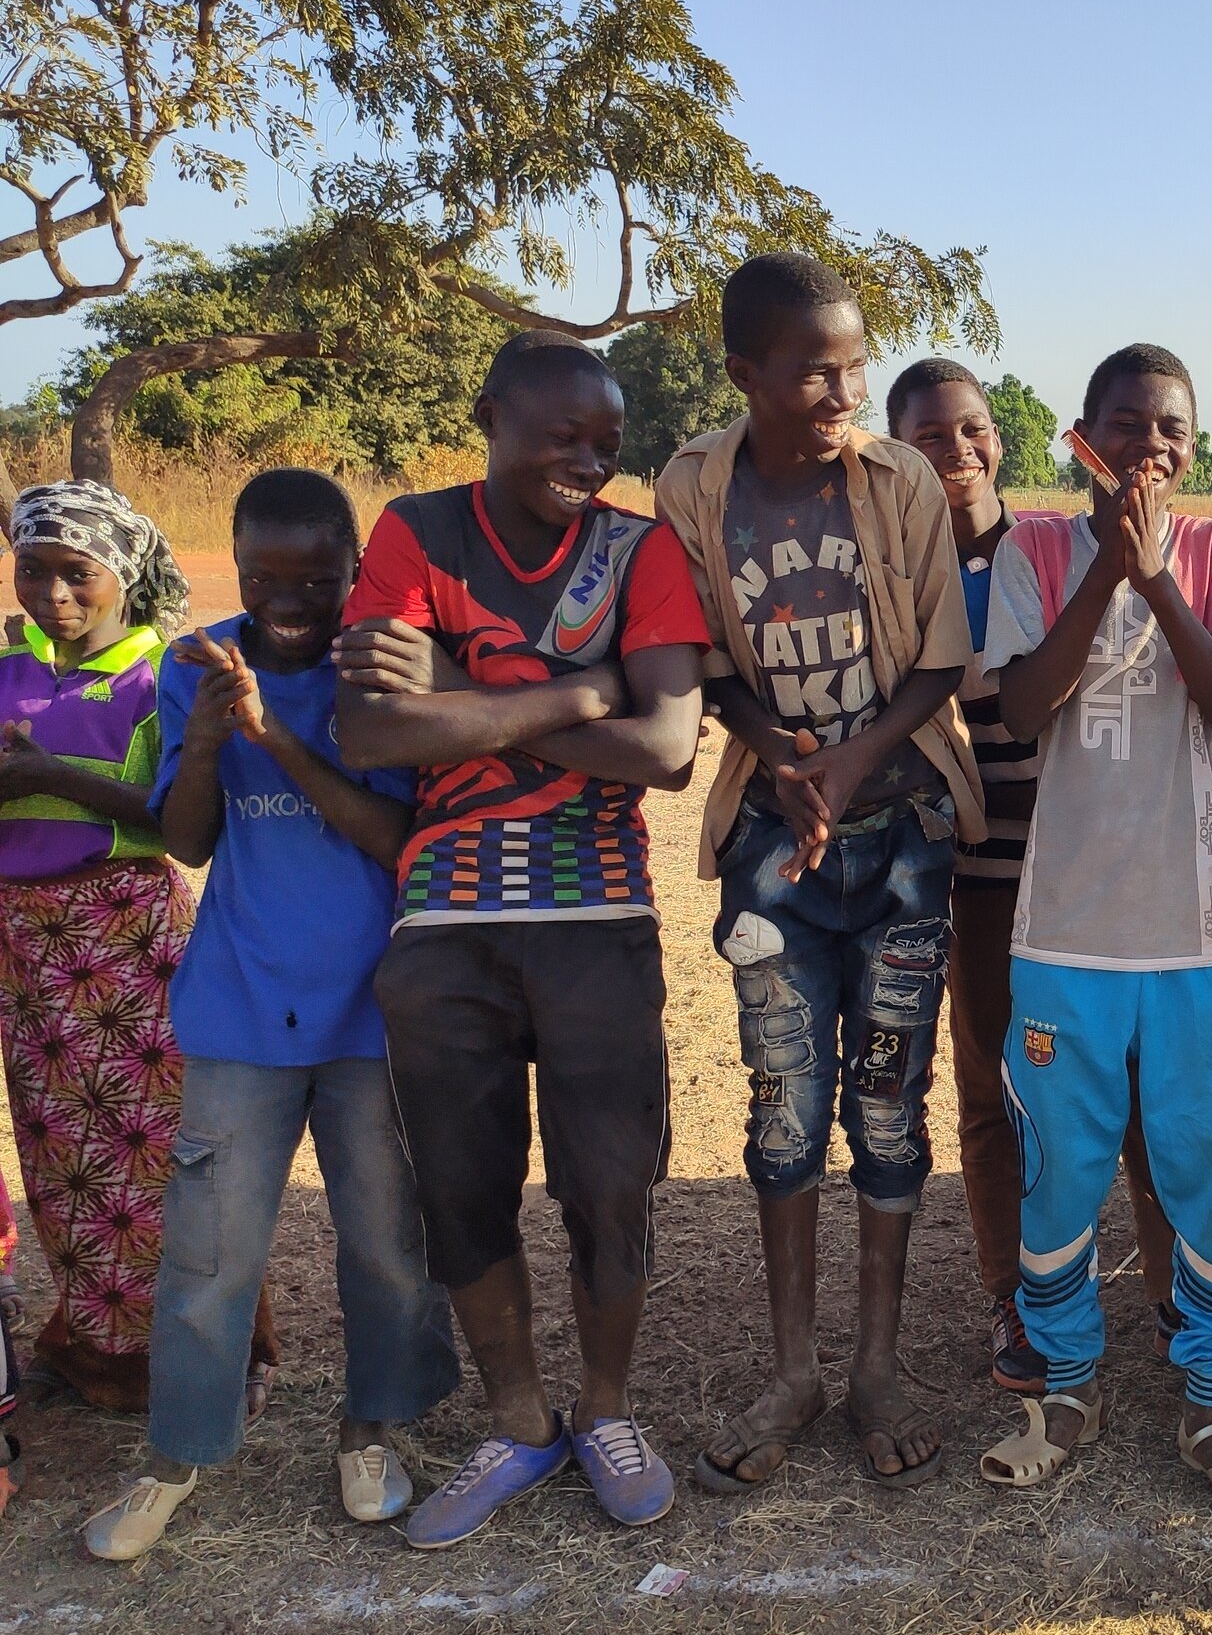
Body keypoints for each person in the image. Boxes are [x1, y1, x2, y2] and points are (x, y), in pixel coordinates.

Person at [335, 331, 710, 1546]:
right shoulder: (415, 533)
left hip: (598, 914)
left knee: (609, 1184)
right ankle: (518, 1420)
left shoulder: (639, 549)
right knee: (462, 1190)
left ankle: (604, 1411)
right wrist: (570, 692)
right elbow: (372, 736)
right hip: (444, 920)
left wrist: (463, 694)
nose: (590, 462)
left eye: (607, 442)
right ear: (491, 415)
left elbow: (664, 753)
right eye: (564, 436)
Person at [82, 469, 460, 1561]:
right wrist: (207, 737)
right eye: (263, 578)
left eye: (317, 580)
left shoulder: (382, 672)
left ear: (354, 572)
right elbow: (190, 840)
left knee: (387, 1242)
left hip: (372, 1012)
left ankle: (374, 1423)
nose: (288, 604)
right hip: (241, 1008)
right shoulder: (196, 663)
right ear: (235, 566)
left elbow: (394, 842)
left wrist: (277, 738)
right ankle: (180, 1453)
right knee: (207, 1250)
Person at [653, 260, 983, 1493]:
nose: (845, 387)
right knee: (784, 1104)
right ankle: (793, 1368)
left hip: (900, 837)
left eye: (854, 363)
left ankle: (877, 1368)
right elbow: (694, 653)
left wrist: (848, 764)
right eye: (814, 368)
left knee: (887, 1102)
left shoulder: (898, 483)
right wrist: (783, 755)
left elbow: (938, 662)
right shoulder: (692, 485)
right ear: (744, 373)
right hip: (770, 845)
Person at [974, 343, 1212, 1523]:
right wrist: (1105, 572)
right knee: (1060, 1177)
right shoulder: (1035, 549)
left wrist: (1157, 580)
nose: (1148, 448)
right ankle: (1064, 1391)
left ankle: (1210, 1402)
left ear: (1191, 448)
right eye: (1126, 426)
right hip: (1064, 934)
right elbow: (1015, 709)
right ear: (1085, 435)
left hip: (1199, 939)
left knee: (1206, 1175)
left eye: (1169, 431)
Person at [0, 479, 238, 1413]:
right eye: (33, 570)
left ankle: (201, 1352)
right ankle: (94, 1346)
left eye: (77, 572)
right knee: (60, 1156)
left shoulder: (158, 675)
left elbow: (178, 821)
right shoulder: (5, 667)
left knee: (159, 1154)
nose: (54, 593)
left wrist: (48, 773)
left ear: (124, 576)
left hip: (128, 933)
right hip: (26, 944)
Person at [886, 356, 1045, 1394]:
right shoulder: (892, 571)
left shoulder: (1051, 555)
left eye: (974, 429)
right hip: (979, 870)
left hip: (1078, 862)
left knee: (1091, 1087)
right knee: (991, 1090)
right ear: (893, 450)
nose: (960, 451)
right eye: (932, 437)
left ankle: (1130, 1282)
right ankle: (1012, 1296)